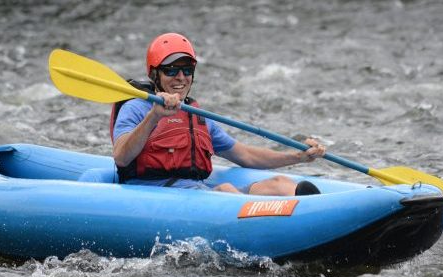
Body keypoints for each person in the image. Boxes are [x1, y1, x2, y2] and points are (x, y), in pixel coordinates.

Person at [111, 33, 326, 196]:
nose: (180, 77)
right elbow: (121, 157)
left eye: (186, 70)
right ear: (153, 74)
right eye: (171, 70)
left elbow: (245, 155)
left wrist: (298, 157)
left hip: (197, 191)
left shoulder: (195, 115)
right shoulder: (136, 108)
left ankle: (317, 218)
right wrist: (155, 116)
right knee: (225, 189)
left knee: (279, 184)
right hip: (155, 196)